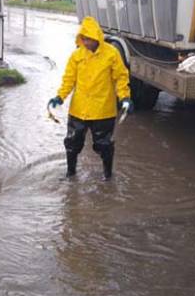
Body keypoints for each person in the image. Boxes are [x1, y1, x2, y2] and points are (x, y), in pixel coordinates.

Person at [49, 16, 133, 180]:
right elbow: (69, 79)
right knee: (72, 143)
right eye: (83, 39)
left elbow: (121, 77)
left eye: (89, 39)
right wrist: (60, 97)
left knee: (104, 145)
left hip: (103, 111)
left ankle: (108, 176)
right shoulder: (77, 56)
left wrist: (125, 97)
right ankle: (70, 174)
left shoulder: (111, 53)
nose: (86, 42)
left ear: (97, 37)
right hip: (78, 110)